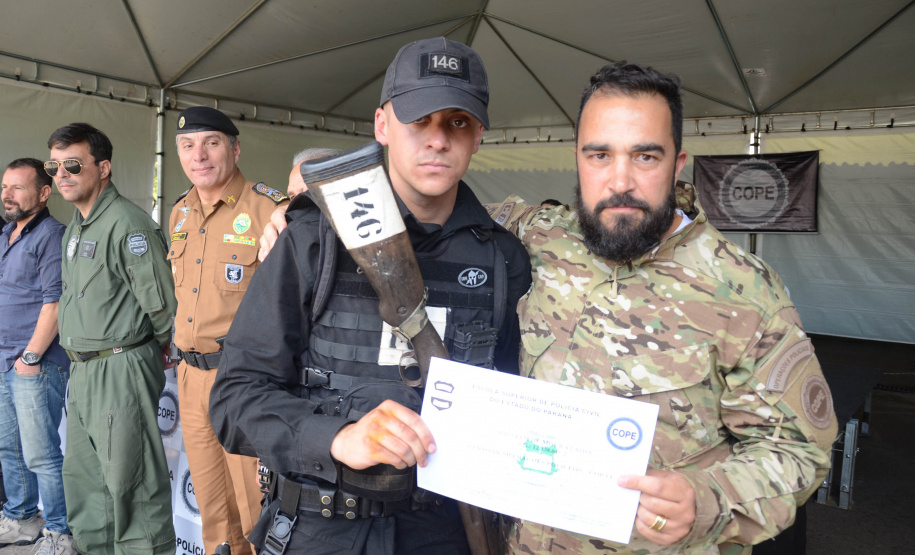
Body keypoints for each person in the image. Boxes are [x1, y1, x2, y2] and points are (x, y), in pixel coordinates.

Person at [490, 61, 838, 554]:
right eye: (599, 155)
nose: (620, 180)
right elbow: (438, 211)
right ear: (577, 160)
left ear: (678, 165)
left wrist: (706, 499)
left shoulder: (742, 290)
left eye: (645, 157)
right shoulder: (541, 234)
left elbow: (799, 450)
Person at [209, 37, 531, 554]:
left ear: (478, 137)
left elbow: (518, 395)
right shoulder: (313, 239)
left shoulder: (504, 259)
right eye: (418, 120)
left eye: (458, 123)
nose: (437, 140)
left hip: (445, 533)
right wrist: (336, 439)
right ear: (382, 125)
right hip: (322, 527)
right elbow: (234, 399)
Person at [49, 123, 177, 555]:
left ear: (103, 168)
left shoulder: (127, 223)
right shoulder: (76, 226)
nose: (61, 174)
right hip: (83, 369)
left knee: (131, 484)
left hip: (121, 365)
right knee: (87, 484)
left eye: (72, 164)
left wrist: (148, 347)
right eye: (54, 166)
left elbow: (162, 305)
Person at [169, 106, 290, 555]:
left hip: (246, 379)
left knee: (257, 504)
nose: (198, 155)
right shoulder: (180, 213)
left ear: (235, 149)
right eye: (186, 145)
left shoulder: (271, 209)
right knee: (212, 503)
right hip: (191, 376)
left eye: (211, 143)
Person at [0, 158, 73, 555]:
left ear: (44, 194)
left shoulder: (51, 235)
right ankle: (21, 518)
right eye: (4, 187)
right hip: (5, 361)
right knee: (9, 448)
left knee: (42, 454)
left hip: (35, 364)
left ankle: (60, 533)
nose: (7, 195)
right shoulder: (7, 234)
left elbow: (56, 302)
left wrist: (29, 358)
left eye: (18, 188)